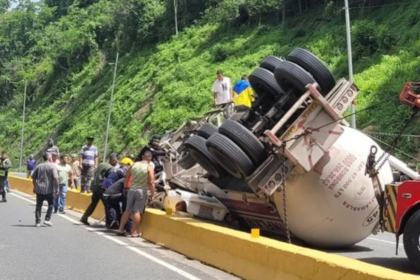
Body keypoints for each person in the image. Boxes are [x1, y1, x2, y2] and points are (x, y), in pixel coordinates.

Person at [116, 151, 155, 237]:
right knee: (137, 211)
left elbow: (127, 176)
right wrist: (153, 195)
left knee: (127, 210)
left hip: (131, 189)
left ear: (142, 157)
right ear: (150, 158)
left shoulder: (134, 164)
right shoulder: (149, 167)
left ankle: (120, 229)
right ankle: (134, 232)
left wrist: (126, 187)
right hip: (142, 190)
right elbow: (151, 182)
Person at [80, 153, 118, 226]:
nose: (116, 162)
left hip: (95, 186)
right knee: (108, 205)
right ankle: (109, 223)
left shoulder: (102, 164)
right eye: (116, 161)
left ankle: (84, 217)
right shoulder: (111, 168)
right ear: (112, 160)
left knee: (93, 203)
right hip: (102, 188)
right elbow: (110, 180)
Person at [32, 154, 59, 227]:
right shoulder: (52, 166)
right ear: (49, 158)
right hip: (49, 190)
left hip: (39, 189)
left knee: (38, 205)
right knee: (51, 204)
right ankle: (47, 219)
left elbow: (33, 178)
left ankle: (37, 221)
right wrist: (57, 188)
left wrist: (34, 187)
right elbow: (56, 178)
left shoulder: (39, 166)